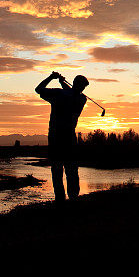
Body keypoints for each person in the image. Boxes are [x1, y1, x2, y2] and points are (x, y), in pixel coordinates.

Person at [35, 71, 89, 202]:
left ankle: (60, 199)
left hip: (55, 135)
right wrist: (62, 82)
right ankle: (73, 198)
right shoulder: (82, 99)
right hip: (69, 136)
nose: (82, 90)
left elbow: (38, 89)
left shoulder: (59, 94)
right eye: (83, 87)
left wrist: (51, 78)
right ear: (81, 87)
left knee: (57, 169)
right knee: (71, 169)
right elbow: (72, 93)